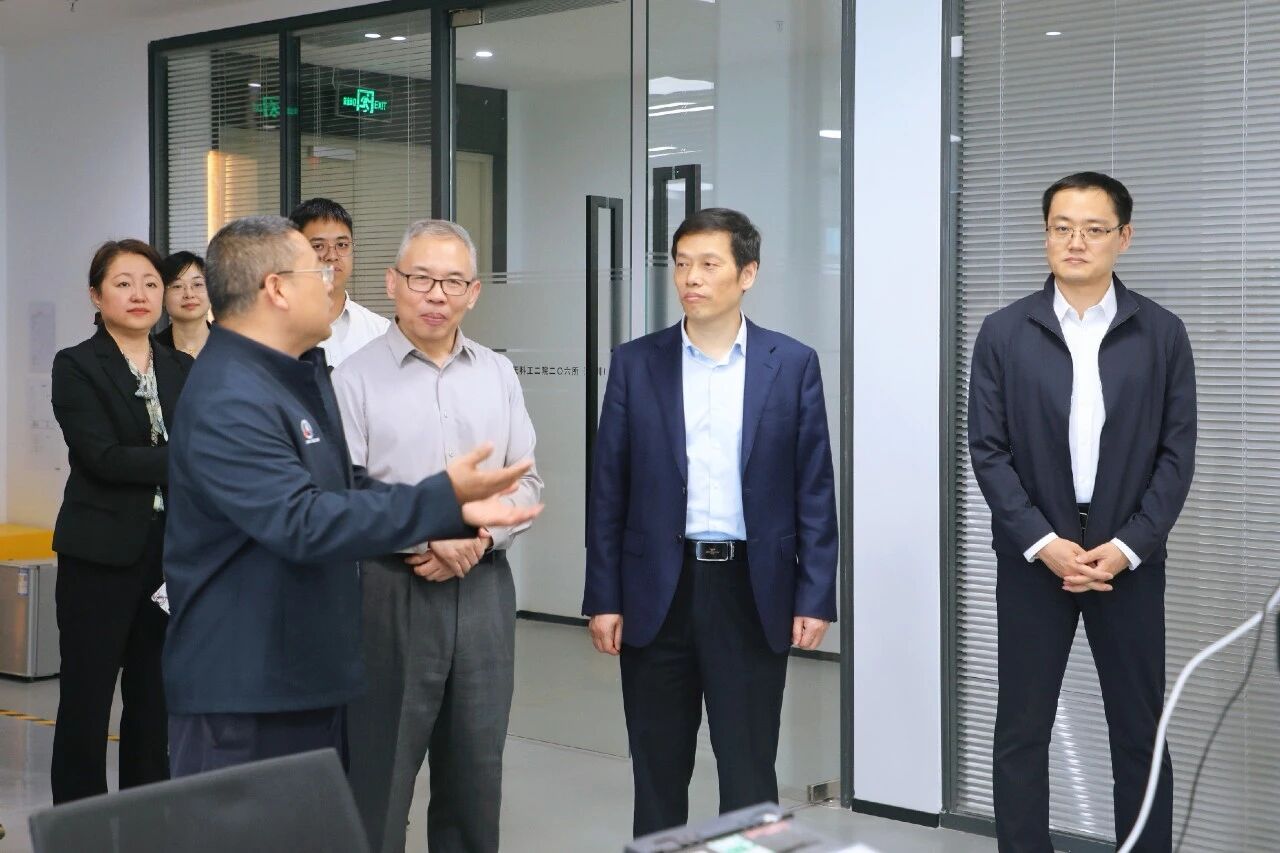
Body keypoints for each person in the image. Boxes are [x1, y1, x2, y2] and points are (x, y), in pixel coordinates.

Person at [161, 215, 541, 777]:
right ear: (277, 289)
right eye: (316, 270)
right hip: (247, 691)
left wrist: (453, 510)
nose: (332, 279)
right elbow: (303, 520)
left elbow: (344, 486)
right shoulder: (232, 394)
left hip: (297, 675)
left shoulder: (287, 376)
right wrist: (439, 501)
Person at [582, 207, 838, 837]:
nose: (691, 278)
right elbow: (608, 489)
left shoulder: (792, 363)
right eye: (682, 264)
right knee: (657, 767)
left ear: (747, 273)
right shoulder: (636, 362)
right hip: (656, 591)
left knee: (749, 768)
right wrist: (604, 596)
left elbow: (814, 488)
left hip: (752, 590)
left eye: (708, 264)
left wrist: (815, 595)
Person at [968, 172, 1196, 852]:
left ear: (1124, 237)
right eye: (1061, 227)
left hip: (1128, 559)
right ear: (1045, 235)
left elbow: (1176, 454)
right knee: (1022, 730)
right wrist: (1043, 541)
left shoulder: (1161, 332)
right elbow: (988, 450)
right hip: (1034, 558)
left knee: (1139, 730)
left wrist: (1128, 547)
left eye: (1094, 229)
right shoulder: (1004, 331)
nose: (1076, 241)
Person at [334, 219, 542, 853]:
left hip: (483, 588)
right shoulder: (352, 376)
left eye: (453, 281)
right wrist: (425, 537)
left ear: (473, 293)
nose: (435, 294)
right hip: (389, 590)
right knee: (381, 774)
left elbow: (527, 483)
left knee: (476, 775)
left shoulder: (498, 373)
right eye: (421, 278)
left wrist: (477, 540)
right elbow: (344, 490)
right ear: (392, 283)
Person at [49, 239, 193, 803]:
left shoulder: (183, 367)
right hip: (98, 557)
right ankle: (76, 830)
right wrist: (188, 459)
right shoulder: (77, 365)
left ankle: (146, 825)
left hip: (168, 557)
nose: (140, 294)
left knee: (154, 704)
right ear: (96, 294)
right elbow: (102, 458)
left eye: (152, 283)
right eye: (124, 283)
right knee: (85, 702)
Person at [289, 197, 389, 367]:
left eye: (342, 245)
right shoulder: (275, 330)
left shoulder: (379, 332)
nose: (332, 256)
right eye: (318, 246)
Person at [156, 251, 211, 357]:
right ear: (162, 297)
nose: (189, 294)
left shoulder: (231, 346)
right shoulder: (151, 351)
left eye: (197, 284)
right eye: (177, 286)